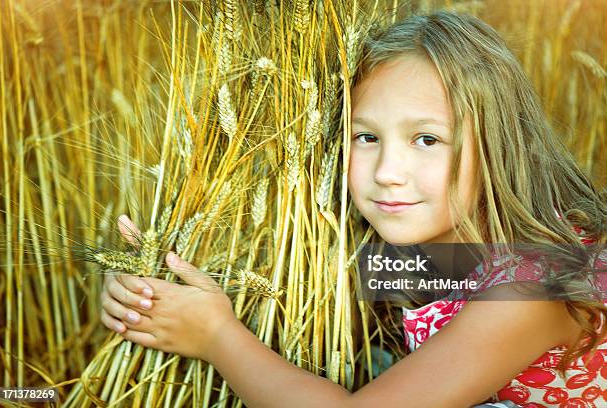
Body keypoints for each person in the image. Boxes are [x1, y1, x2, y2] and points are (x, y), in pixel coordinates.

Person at [99, 11, 606, 407]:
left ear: (500, 146)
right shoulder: (428, 250)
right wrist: (150, 287)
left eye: (426, 139)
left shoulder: (532, 287)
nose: (387, 170)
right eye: (366, 137)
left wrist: (216, 336)